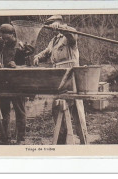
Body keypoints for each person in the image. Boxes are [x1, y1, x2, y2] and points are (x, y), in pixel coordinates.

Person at [33, 15, 80, 144]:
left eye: (52, 24)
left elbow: (71, 35)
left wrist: (63, 28)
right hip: (58, 78)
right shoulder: (53, 40)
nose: (50, 27)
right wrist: (38, 57)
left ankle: (70, 136)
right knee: (56, 107)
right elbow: (46, 52)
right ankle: (61, 134)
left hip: (70, 76)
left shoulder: (69, 36)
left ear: (58, 23)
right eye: (49, 25)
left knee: (69, 107)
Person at [0, 24, 33, 144]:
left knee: (20, 111)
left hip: (18, 82)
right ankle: (4, 136)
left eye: (7, 38)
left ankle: (21, 139)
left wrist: (17, 66)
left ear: (13, 35)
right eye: (3, 38)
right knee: (4, 110)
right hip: (5, 81)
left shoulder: (21, 45)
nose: (5, 40)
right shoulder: (1, 41)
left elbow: (29, 66)